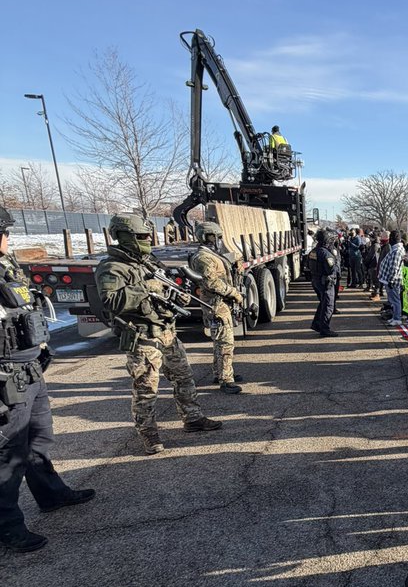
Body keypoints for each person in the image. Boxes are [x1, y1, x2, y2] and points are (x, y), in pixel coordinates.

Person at [0, 206, 94, 552]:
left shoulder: (5, 269)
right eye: (6, 232)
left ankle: (51, 494)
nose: (8, 239)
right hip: (7, 377)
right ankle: (8, 526)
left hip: (29, 368)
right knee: (9, 452)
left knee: (39, 437)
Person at [94, 214, 222, 455]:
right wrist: (144, 288)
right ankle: (149, 434)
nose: (146, 241)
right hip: (143, 337)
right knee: (146, 389)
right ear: (123, 237)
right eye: (141, 237)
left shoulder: (147, 261)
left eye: (147, 236)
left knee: (184, 378)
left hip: (166, 332)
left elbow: (163, 287)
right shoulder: (112, 268)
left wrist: (176, 294)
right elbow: (111, 301)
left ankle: (193, 418)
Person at [188, 221, 244, 394]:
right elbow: (212, 282)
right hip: (215, 304)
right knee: (225, 342)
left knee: (219, 340)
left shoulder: (211, 254)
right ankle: (226, 379)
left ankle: (219, 372)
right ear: (207, 237)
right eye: (216, 236)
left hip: (220, 303)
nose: (219, 240)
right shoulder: (203, 258)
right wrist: (233, 292)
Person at [308, 228, 340, 337]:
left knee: (323, 303)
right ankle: (324, 329)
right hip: (325, 282)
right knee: (328, 305)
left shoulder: (313, 251)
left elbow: (308, 265)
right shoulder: (326, 254)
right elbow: (331, 269)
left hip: (316, 280)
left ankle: (317, 324)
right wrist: (335, 261)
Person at [378, 231, 405, 325]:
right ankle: (394, 317)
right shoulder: (395, 249)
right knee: (392, 301)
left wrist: (391, 280)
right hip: (389, 279)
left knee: (395, 300)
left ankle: (397, 318)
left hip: (392, 280)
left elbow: (394, 267)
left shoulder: (397, 251)